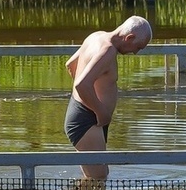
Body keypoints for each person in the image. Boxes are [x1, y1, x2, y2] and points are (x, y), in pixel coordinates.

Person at [64, 15, 152, 179]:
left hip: (85, 116)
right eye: (138, 47)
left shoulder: (96, 36)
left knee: (95, 176)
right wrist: (101, 112)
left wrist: (89, 98)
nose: (135, 52)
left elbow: (71, 65)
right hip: (87, 120)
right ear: (129, 37)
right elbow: (81, 85)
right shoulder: (107, 51)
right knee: (98, 180)